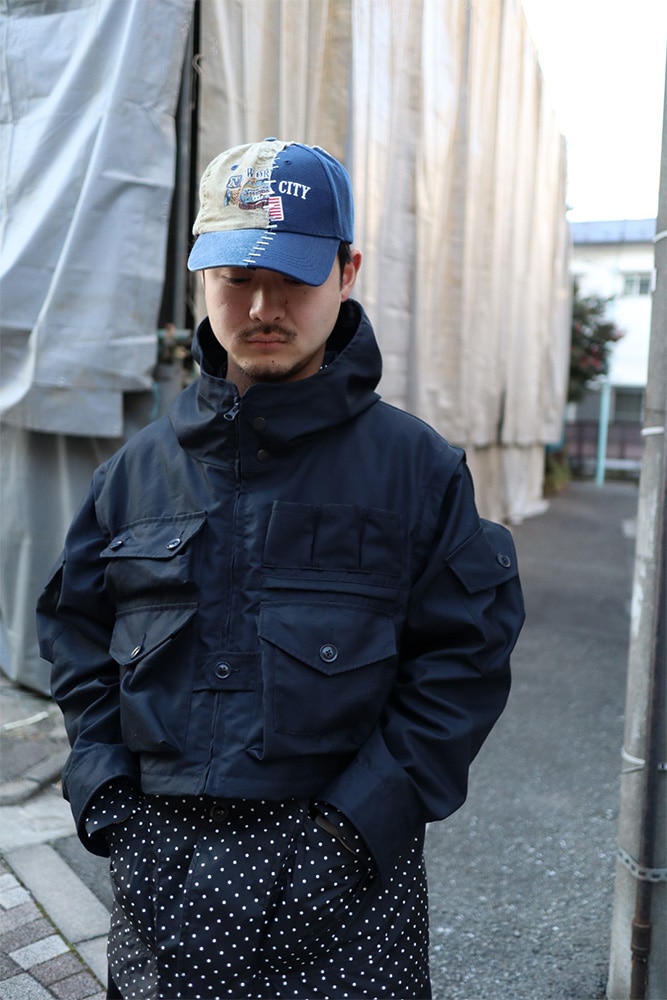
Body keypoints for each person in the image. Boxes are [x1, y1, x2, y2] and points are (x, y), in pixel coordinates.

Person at [36, 138, 525, 1000]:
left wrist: (352, 831)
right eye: (236, 277)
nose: (263, 307)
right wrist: (107, 797)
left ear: (346, 271)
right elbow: (78, 637)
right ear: (199, 277)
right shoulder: (134, 475)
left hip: (348, 880)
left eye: (294, 276)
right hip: (163, 872)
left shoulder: (417, 470)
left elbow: (462, 661)